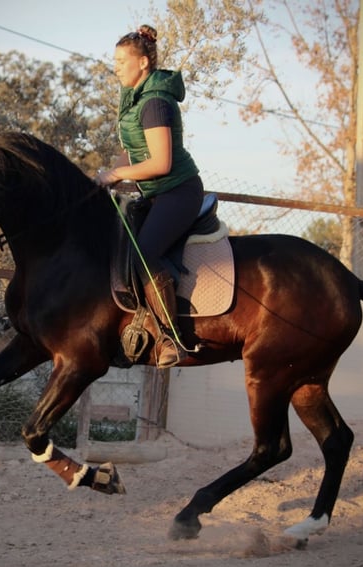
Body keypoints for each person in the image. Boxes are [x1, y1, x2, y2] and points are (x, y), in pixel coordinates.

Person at [95, 24, 204, 368]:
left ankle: (171, 338)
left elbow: (160, 162)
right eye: (114, 61)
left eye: (121, 61)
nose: (116, 67)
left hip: (178, 192)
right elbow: (133, 154)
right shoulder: (136, 99)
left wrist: (116, 175)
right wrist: (102, 179)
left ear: (143, 63)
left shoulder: (155, 102)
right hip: (157, 193)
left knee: (144, 254)